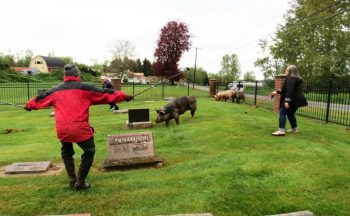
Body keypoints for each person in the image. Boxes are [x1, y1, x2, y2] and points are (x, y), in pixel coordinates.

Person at [24, 64, 134, 190]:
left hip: (62, 128)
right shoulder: (85, 88)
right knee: (89, 151)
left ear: (64, 76)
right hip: (79, 127)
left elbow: (39, 99)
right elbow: (106, 93)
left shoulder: (55, 90)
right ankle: (80, 182)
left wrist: (29, 105)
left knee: (66, 152)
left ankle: (72, 179)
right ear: (77, 75)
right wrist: (125, 96)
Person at [271, 65, 308, 136]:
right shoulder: (293, 78)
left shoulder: (291, 79)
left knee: (282, 113)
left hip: (292, 100)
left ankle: (281, 131)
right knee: (290, 114)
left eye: (287, 70)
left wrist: (287, 101)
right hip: (295, 100)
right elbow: (286, 90)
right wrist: (277, 92)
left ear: (290, 71)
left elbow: (290, 91)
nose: (285, 71)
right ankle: (294, 129)